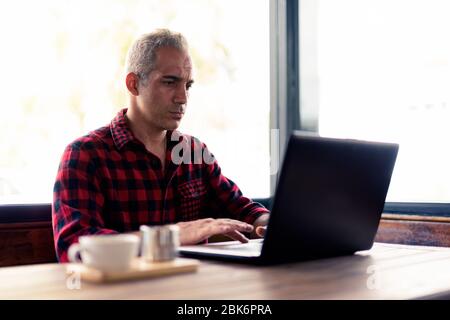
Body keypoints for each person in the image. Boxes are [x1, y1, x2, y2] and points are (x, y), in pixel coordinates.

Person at [52, 29, 269, 262]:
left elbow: (244, 211)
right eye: (170, 82)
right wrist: (172, 235)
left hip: (190, 289)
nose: (183, 98)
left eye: (188, 85)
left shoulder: (194, 153)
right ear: (134, 84)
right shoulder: (85, 155)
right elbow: (74, 246)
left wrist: (272, 225)